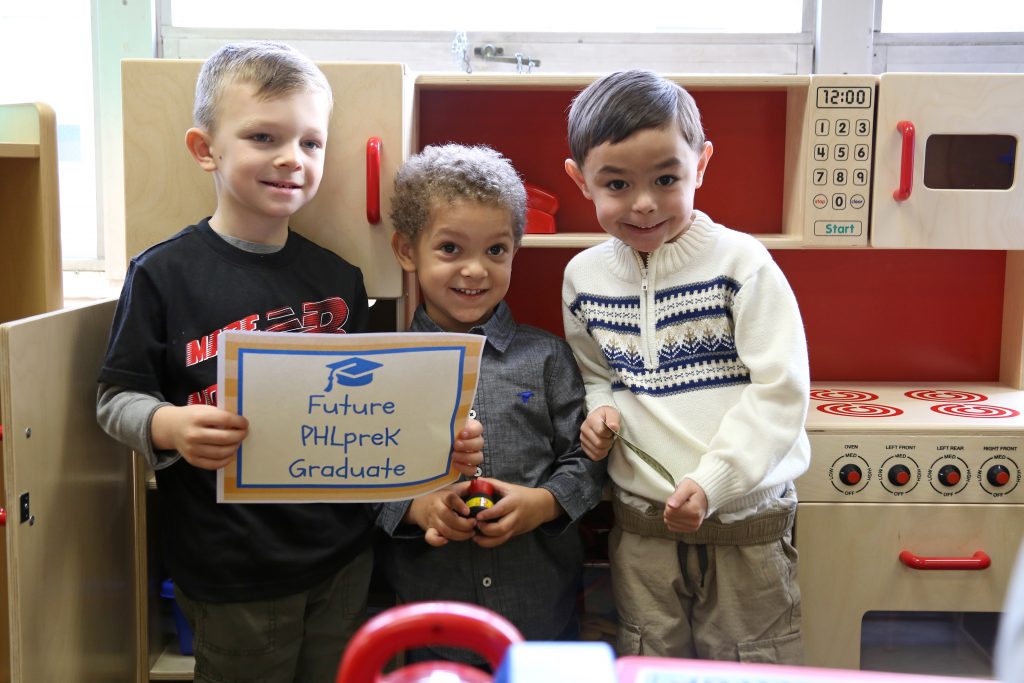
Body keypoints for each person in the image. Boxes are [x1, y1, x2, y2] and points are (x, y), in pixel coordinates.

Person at [96, 41, 482, 683]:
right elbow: (115, 398)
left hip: (342, 557)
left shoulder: (340, 278)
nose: (290, 159)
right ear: (205, 149)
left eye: (310, 143)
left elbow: (370, 412)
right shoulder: (163, 275)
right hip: (233, 568)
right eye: (262, 136)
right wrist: (169, 428)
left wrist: (438, 444)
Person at [560, 69, 810, 663]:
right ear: (580, 181)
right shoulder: (583, 278)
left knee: (753, 662)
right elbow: (596, 372)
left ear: (701, 165)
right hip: (643, 527)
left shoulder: (742, 263)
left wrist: (715, 481)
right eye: (616, 184)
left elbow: (780, 392)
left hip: (745, 521)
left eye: (666, 178)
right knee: (651, 661)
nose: (643, 204)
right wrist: (600, 412)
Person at [377, 143, 607, 667]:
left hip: (540, 616)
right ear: (407, 250)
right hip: (428, 618)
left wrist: (543, 504)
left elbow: (588, 460)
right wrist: (414, 508)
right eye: (451, 249)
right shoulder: (383, 365)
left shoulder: (547, 356)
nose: (476, 271)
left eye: (496, 251)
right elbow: (355, 471)